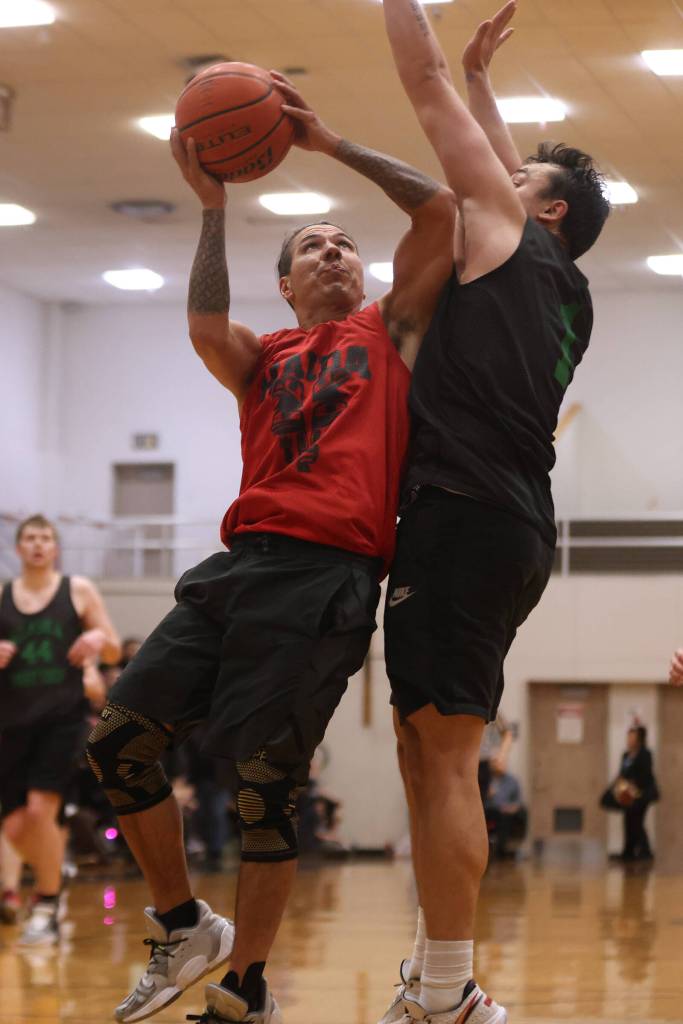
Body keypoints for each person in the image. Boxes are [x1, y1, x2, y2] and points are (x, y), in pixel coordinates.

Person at [86, 74, 455, 1024]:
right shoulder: (263, 360)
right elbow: (205, 323)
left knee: (263, 791)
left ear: (361, 277)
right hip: (237, 568)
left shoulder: (390, 330)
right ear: (285, 285)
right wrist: (213, 207)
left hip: (326, 576)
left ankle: (246, 989)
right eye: (309, 248)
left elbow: (441, 209)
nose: (331, 250)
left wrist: (328, 144)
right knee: (120, 743)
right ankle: (181, 925)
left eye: (344, 245)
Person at [379, 2, 611, 1022]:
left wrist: (437, 56)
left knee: (443, 762)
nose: (495, 174)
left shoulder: (517, 239)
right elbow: (507, 171)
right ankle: (437, 974)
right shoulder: (565, 289)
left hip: (462, 513)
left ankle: (448, 994)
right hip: (507, 525)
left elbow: (420, 90)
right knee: (422, 746)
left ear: (545, 212)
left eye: (518, 181)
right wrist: (485, 84)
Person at [0, 514, 121, 945]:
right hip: (11, 722)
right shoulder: (3, 596)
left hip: (59, 718)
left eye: (45, 538)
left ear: (55, 548)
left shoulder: (78, 590)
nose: (37, 545)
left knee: (40, 810)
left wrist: (95, 642)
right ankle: (56, 873)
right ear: (18, 549)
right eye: (30, 538)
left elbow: (110, 646)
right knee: (14, 829)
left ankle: (47, 901)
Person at [600, 725, 659, 861]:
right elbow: (622, 774)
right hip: (628, 794)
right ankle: (628, 852)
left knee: (637, 822)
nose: (629, 739)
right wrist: (615, 786)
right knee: (628, 821)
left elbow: (645, 776)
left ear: (639, 738)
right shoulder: (626, 755)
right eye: (628, 736)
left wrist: (634, 785)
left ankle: (645, 852)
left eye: (632, 736)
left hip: (642, 795)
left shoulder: (645, 754)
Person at [484, 764, 526, 860]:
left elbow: (518, 800)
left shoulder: (512, 781)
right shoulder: (486, 780)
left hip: (506, 811)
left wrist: (513, 807)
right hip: (489, 809)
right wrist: (487, 794)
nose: (500, 766)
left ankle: (501, 849)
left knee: (507, 816)